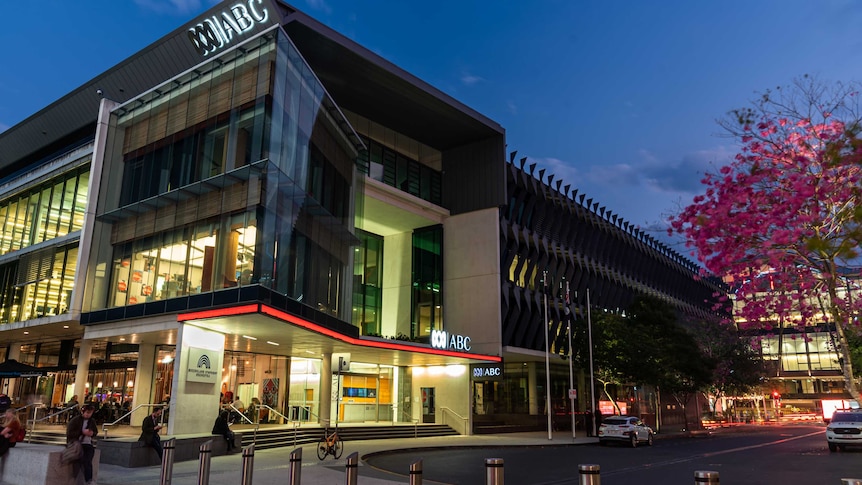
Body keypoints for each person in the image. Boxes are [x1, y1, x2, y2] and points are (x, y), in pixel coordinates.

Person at [66, 403, 98, 485]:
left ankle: (89, 480)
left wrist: (92, 433)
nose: (88, 415)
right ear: (83, 412)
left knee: (88, 461)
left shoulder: (92, 421)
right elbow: (70, 433)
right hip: (77, 443)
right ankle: (83, 479)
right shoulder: (75, 421)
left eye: (90, 413)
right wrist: (82, 432)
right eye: (87, 413)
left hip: (88, 444)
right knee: (81, 461)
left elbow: (95, 432)